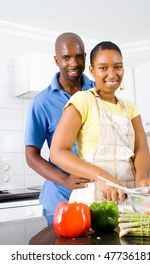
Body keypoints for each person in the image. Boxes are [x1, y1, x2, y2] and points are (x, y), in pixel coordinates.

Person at [50, 41, 150, 205]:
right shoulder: (82, 100)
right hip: (93, 199)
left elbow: (141, 148)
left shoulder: (130, 108)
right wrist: (102, 176)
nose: (112, 75)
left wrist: (142, 178)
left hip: (130, 198)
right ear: (92, 70)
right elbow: (58, 152)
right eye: (103, 68)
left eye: (117, 67)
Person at [24, 32, 95, 225]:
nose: (73, 63)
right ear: (56, 60)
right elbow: (31, 155)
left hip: (97, 196)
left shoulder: (98, 91)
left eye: (79, 56)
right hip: (60, 199)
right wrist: (64, 179)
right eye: (66, 57)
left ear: (85, 57)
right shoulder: (42, 102)